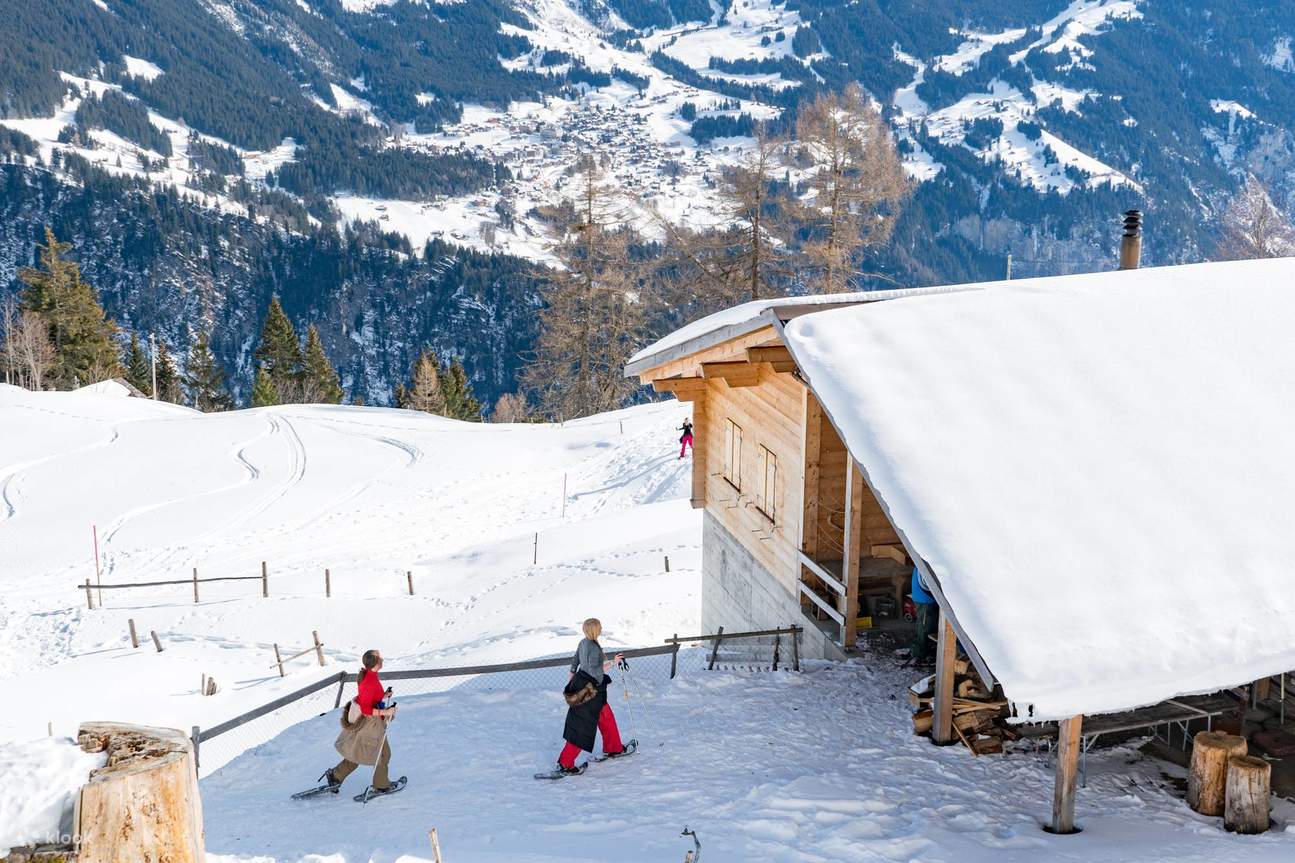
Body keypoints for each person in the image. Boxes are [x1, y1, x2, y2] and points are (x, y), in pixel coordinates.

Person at [323, 649, 404, 795]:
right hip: (369, 724)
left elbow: (369, 698)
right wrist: (386, 712)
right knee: (383, 754)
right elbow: (366, 709)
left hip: (368, 723)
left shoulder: (370, 675)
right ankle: (381, 786)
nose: (383, 660)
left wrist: (383, 696)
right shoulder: (369, 681)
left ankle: (335, 776)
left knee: (358, 752)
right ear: (376, 662)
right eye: (381, 658)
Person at [555, 618, 626, 774]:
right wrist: (613, 663)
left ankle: (614, 748)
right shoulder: (593, 648)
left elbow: (576, 659)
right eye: (599, 627)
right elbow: (595, 672)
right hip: (591, 691)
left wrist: (572, 673)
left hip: (588, 688)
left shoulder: (583, 642)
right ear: (595, 630)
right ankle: (566, 763)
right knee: (582, 726)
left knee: (606, 717)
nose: (601, 629)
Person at [909, 567, 938, 666]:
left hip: (922, 598)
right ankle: (920, 654)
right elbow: (924, 585)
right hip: (925, 600)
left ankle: (917, 650)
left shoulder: (920, 563)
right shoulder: (923, 566)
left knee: (921, 625)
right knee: (925, 627)